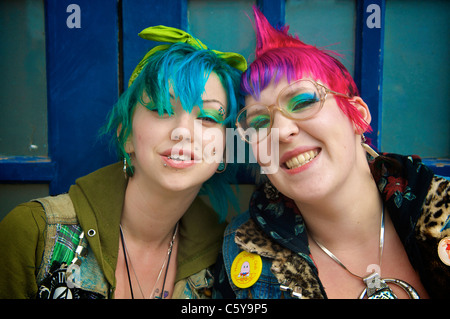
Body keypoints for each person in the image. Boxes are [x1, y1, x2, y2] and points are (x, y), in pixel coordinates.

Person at [214, 7, 449, 299]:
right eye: (260, 122)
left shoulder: (443, 209)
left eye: (301, 102)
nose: (282, 131)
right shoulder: (244, 258)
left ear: (357, 116)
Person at [0, 25, 246, 299]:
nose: (183, 132)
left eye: (209, 118)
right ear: (126, 135)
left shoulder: (227, 257)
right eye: (163, 109)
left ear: (225, 150)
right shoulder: (32, 232)